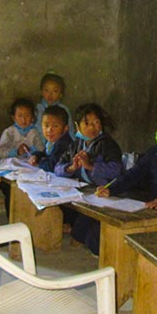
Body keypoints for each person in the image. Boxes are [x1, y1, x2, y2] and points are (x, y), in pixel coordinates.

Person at [56, 103, 123, 253]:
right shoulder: (76, 145)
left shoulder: (107, 144)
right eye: (87, 123)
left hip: (106, 193)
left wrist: (91, 166)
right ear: (77, 126)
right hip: (88, 193)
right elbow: (58, 168)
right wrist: (71, 168)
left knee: (89, 239)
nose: (92, 127)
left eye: (96, 122)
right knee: (76, 231)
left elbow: (116, 171)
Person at [28, 105, 73, 172]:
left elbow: (51, 166)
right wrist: (36, 156)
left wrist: (39, 163)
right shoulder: (53, 139)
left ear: (65, 129)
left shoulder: (63, 144)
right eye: (46, 125)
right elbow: (46, 154)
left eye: (55, 126)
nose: (49, 130)